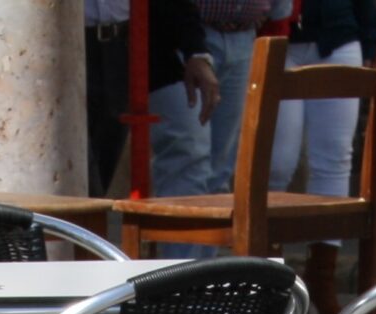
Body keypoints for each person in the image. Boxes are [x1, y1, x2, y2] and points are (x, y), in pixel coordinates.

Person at [268, 0, 376, 314]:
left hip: (339, 34)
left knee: (335, 158)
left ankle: (322, 277)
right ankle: (266, 278)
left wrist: (370, 39)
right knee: (276, 162)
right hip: (276, 38)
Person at [86, 0, 220, 198]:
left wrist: (196, 51)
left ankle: (179, 218)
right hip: (63, 46)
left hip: (131, 43)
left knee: (186, 145)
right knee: (78, 168)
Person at [196, 0, 293, 194]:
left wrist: (280, 9)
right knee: (190, 145)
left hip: (245, 36)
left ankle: (217, 208)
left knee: (224, 152)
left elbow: (281, 13)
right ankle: (182, 209)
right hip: (196, 34)